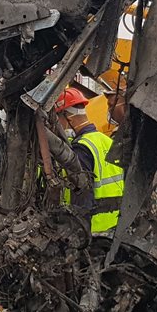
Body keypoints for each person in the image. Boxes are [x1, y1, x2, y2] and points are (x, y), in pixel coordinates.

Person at [53, 87, 124, 232]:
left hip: (94, 228)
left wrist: (78, 232)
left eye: (58, 119)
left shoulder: (81, 148)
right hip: (116, 224)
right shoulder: (106, 140)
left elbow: (82, 195)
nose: (57, 125)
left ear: (68, 117)